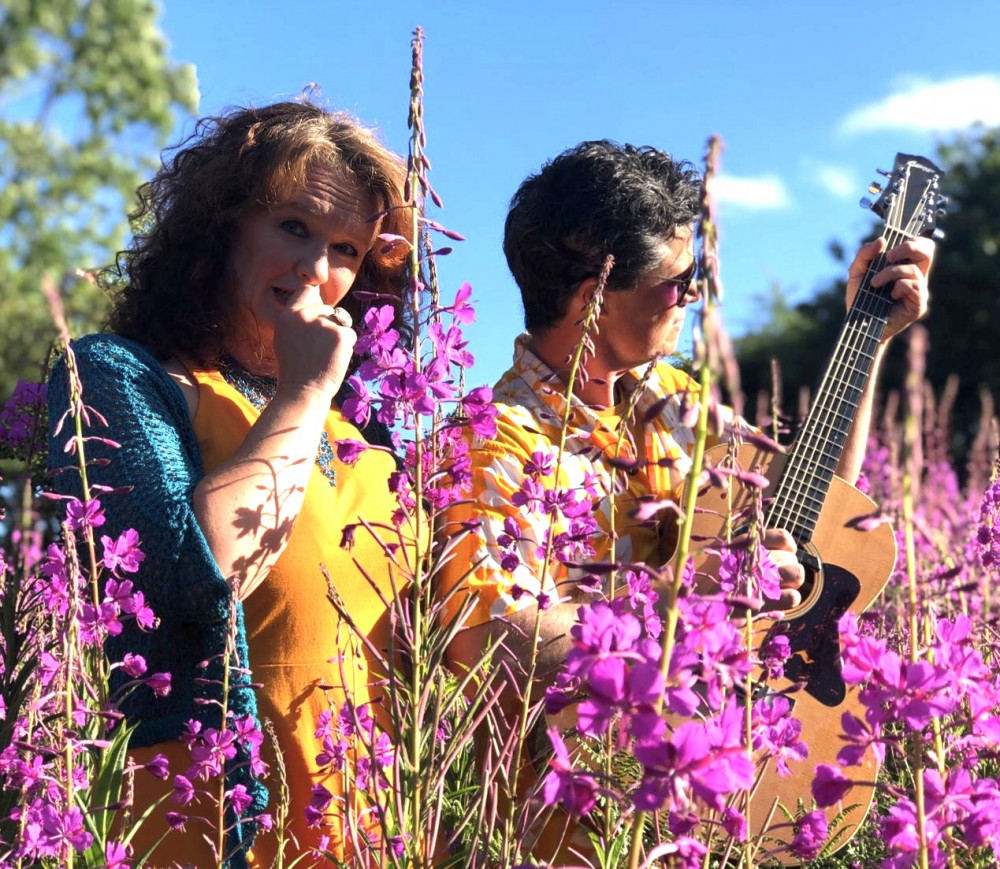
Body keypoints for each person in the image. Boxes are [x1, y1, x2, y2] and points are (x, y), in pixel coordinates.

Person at [437, 140, 934, 859]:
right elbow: (488, 644)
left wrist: (872, 334)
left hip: (718, 795)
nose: (695, 294)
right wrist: (680, 599)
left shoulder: (673, 402)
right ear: (592, 299)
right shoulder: (491, 443)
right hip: (579, 827)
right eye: (679, 280)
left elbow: (816, 513)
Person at [47, 100, 415, 868]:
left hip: (364, 840)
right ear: (221, 226)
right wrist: (306, 394)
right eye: (293, 227)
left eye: (347, 247)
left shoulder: (364, 443)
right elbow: (195, 573)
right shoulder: (122, 379)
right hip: (209, 832)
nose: (318, 270)